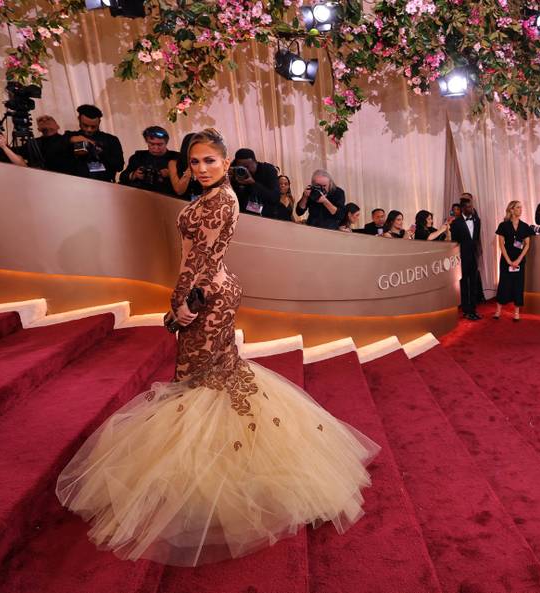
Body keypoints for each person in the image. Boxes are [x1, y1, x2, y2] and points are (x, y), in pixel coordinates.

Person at [56, 128, 379, 567]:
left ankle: (217, 483)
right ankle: (210, 472)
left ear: (226, 163)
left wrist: (187, 304)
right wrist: (181, 298)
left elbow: (205, 260)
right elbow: (193, 255)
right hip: (205, 292)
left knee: (201, 381)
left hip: (207, 296)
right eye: (195, 162)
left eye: (210, 160)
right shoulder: (211, 197)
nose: (202, 168)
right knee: (211, 378)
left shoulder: (222, 200)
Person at [58, 104, 124, 182]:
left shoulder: (111, 140)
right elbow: (54, 154)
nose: (89, 129)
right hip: (74, 182)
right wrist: (70, 140)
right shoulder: (70, 136)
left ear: (99, 122)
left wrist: (99, 151)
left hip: (103, 183)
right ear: (79, 119)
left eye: (93, 127)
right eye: (85, 125)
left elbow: (119, 166)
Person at [494, 200, 535, 322]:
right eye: (518, 207)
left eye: (521, 207)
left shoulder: (525, 226)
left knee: (518, 285)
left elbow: (527, 245)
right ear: (511, 210)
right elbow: (501, 244)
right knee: (504, 284)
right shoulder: (503, 225)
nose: (520, 210)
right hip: (506, 260)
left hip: (519, 260)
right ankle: (498, 310)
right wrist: (508, 260)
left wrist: (518, 260)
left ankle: (516, 313)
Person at [450, 196, 484, 320]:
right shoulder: (456, 223)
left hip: (474, 256)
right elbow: (454, 242)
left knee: (473, 284)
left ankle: (473, 309)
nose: (471, 208)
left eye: (471, 206)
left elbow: (476, 239)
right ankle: (466, 310)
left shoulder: (477, 220)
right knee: (464, 284)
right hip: (462, 257)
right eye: (469, 207)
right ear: (463, 208)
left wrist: (478, 253)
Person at [119, 126, 180, 195]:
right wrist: (135, 174)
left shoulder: (177, 158)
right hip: (141, 195)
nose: (156, 148)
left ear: (166, 142)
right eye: (152, 144)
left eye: (160, 144)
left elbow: (186, 181)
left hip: (168, 196)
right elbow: (123, 177)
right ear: (147, 142)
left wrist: (172, 175)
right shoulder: (138, 157)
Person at [229, 148, 280, 218]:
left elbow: (274, 198)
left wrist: (253, 184)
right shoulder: (235, 173)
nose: (244, 170)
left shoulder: (268, 170)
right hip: (243, 215)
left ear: (255, 162)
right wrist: (227, 180)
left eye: (247, 167)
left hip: (267, 216)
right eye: (240, 167)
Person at [167, 132, 203, 201]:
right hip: (183, 201)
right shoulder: (173, 163)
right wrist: (190, 167)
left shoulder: (204, 162)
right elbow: (179, 190)